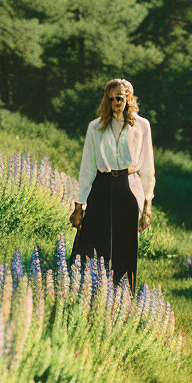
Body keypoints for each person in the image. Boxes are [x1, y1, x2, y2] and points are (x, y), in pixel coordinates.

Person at [69, 78, 155, 292]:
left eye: (120, 97)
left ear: (129, 98)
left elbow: (147, 166)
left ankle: (123, 296)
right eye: (111, 98)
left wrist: (147, 204)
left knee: (125, 247)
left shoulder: (141, 125)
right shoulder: (96, 127)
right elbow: (87, 168)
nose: (116, 102)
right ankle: (86, 291)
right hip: (102, 185)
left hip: (129, 186)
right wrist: (79, 206)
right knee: (89, 243)